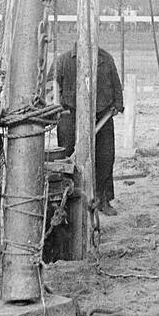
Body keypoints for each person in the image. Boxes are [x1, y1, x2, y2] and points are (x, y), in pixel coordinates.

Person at [54, 43, 123, 216]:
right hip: (70, 115)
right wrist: (56, 109)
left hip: (102, 115)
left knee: (105, 157)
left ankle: (102, 199)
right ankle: (67, 201)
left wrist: (117, 105)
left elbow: (116, 85)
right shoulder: (62, 61)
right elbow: (50, 88)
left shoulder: (106, 59)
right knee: (67, 158)